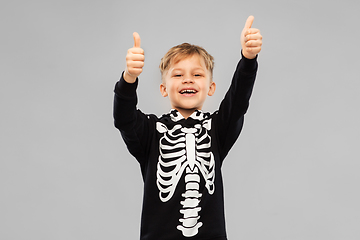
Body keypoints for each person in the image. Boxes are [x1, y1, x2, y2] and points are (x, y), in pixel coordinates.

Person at [113, 15, 262, 240]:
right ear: (164, 88)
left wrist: (248, 59)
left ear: (210, 87)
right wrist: (129, 79)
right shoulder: (151, 131)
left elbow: (238, 102)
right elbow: (124, 119)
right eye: (178, 75)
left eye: (197, 74)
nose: (188, 80)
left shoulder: (216, 130)